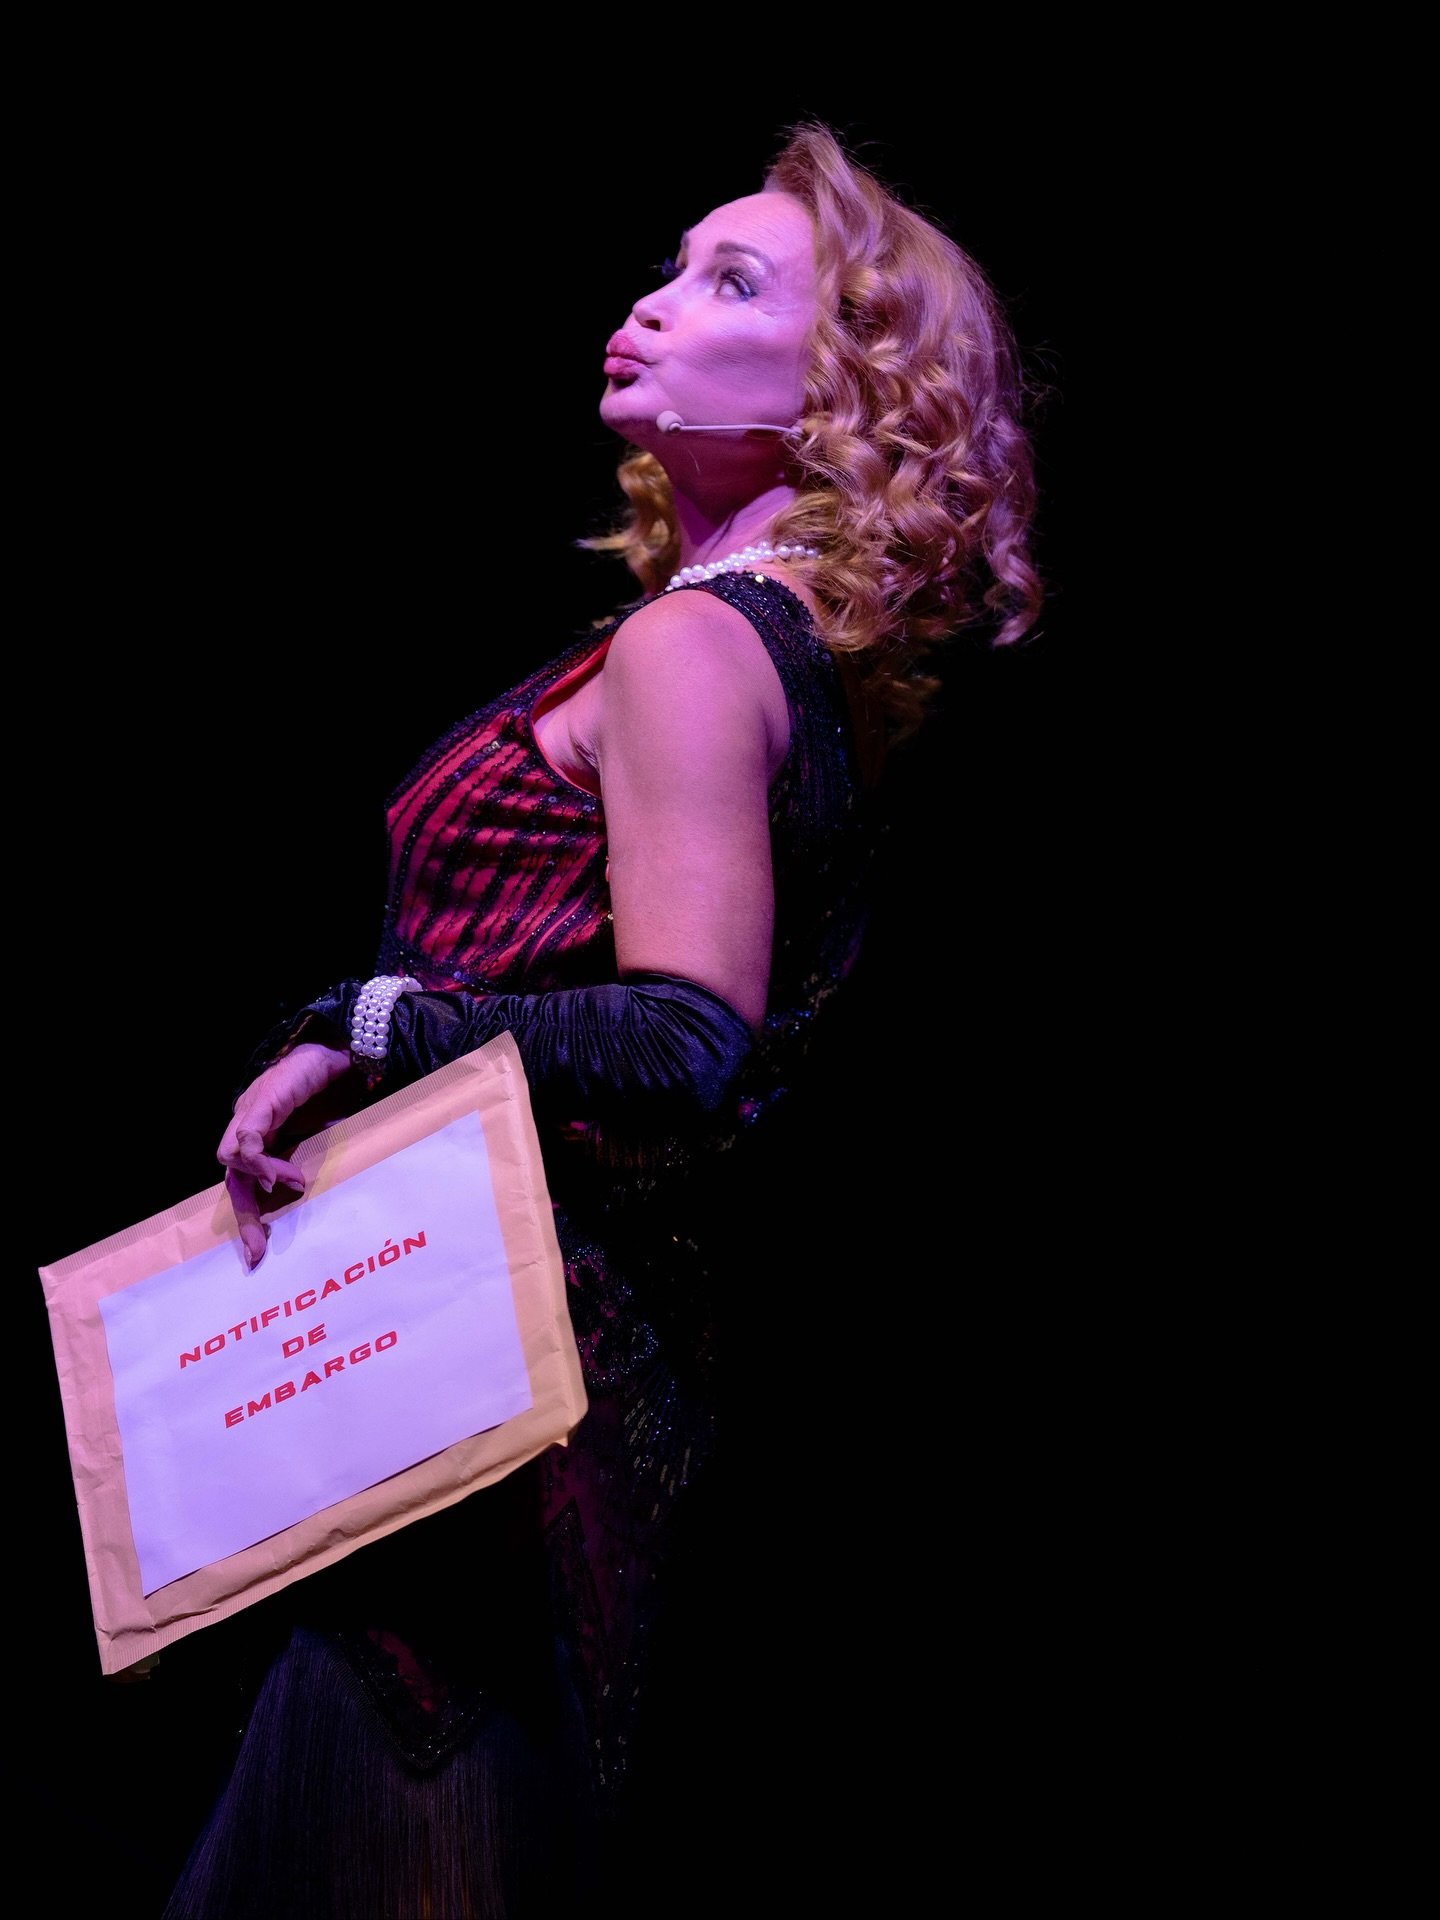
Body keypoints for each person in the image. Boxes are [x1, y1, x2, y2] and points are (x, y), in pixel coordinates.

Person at [158, 118, 1046, 1918]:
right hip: (552, 1378)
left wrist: (370, 1015)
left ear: (842, 393)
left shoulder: (696, 650)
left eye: (732, 283)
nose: (652, 304)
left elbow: (683, 1042)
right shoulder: (753, 641)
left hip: (491, 1393)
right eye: (669, 267)